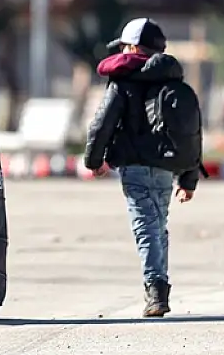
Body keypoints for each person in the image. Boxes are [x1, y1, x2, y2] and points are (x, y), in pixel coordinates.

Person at [84, 17, 201, 318]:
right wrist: (188, 178)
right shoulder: (174, 79)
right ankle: (159, 285)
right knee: (157, 223)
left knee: (145, 226)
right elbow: (191, 131)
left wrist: (94, 161)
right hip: (166, 166)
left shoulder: (123, 80)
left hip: (134, 164)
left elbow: (102, 123)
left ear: (134, 47)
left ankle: (156, 287)